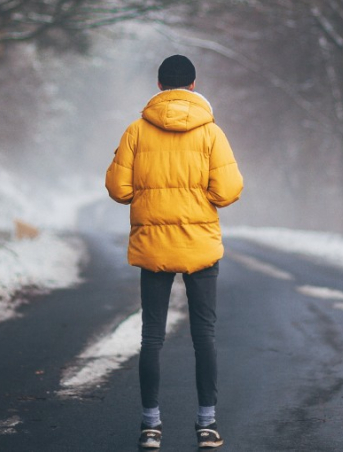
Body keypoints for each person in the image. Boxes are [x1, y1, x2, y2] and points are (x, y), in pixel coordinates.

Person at [105, 55, 244, 449]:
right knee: (205, 335)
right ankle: (207, 425)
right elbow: (228, 190)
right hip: (200, 246)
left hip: (153, 245)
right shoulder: (212, 134)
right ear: (194, 86)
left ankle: (150, 426)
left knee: (152, 336)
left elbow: (119, 189)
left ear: (160, 86)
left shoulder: (136, 131)